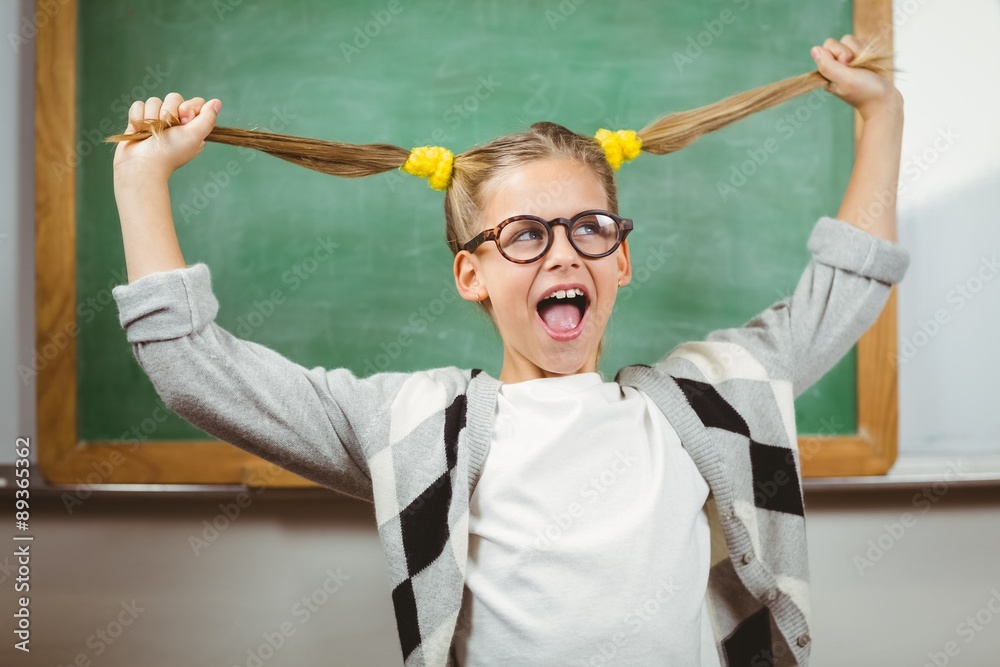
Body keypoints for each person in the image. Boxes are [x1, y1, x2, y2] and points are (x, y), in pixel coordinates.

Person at [109, 36, 909, 666]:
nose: (563, 256)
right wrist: (143, 182)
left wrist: (883, 118)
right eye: (525, 235)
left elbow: (843, 293)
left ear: (621, 260)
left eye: (590, 229)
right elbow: (194, 370)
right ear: (472, 274)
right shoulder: (419, 428)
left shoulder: (701, 406)